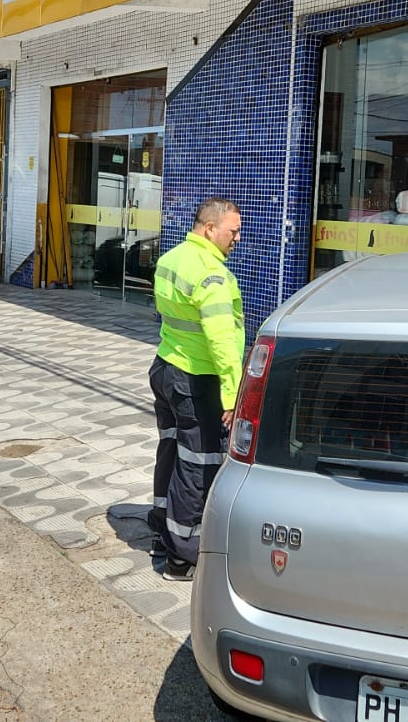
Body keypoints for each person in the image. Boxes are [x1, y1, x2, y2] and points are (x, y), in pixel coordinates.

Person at [148, 197, 245, 581]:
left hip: (166, 368)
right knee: (198, 466)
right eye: (232, 231)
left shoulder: (170, 259)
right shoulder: (212, 275)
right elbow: (222, 342)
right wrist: (232, 395)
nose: (237, 238)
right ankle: (182, 556)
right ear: (209, 228)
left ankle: (161, 528)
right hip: (197, 382)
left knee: (171, 450)